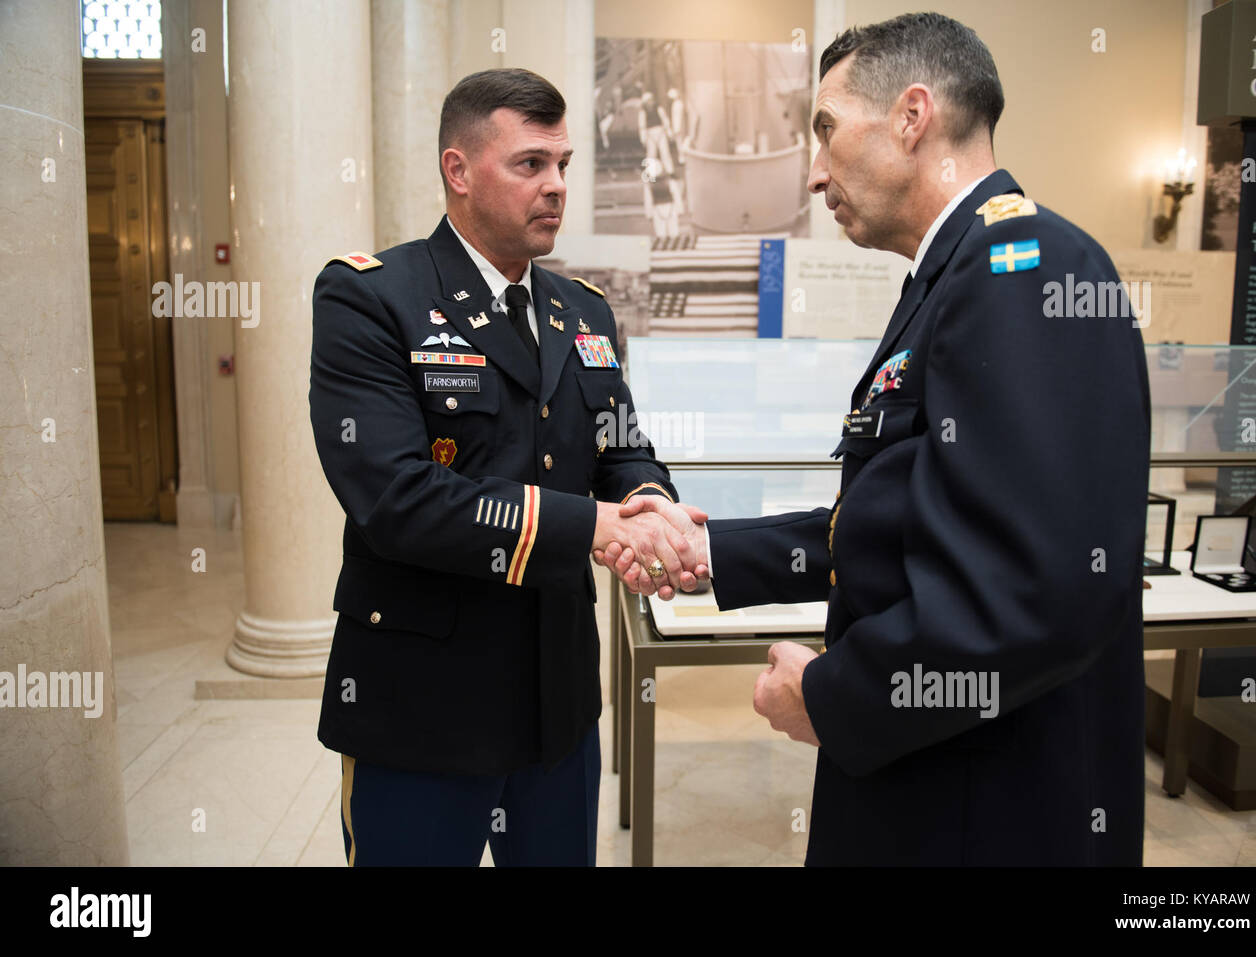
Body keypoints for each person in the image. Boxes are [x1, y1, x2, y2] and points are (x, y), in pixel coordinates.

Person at [598, 14, 1151, 866]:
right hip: (937, 781)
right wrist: (712, 552)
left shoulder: (1026, 265)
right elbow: (904, 516)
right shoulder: (956, 272)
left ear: (911, 115)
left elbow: (1033, 594)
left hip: (983, 809)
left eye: (825, 128)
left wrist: (831, 696)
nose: (815, 173)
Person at [309, 68, 704, 866]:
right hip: (423, 708)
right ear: (459, 171)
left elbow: (621, 445)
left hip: (556, 705)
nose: (556, 185)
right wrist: (596, 524)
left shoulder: (582, 308)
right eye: (531, 164)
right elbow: (399, 497)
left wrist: (650, 507)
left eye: (563, 164)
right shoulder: (372, 299)